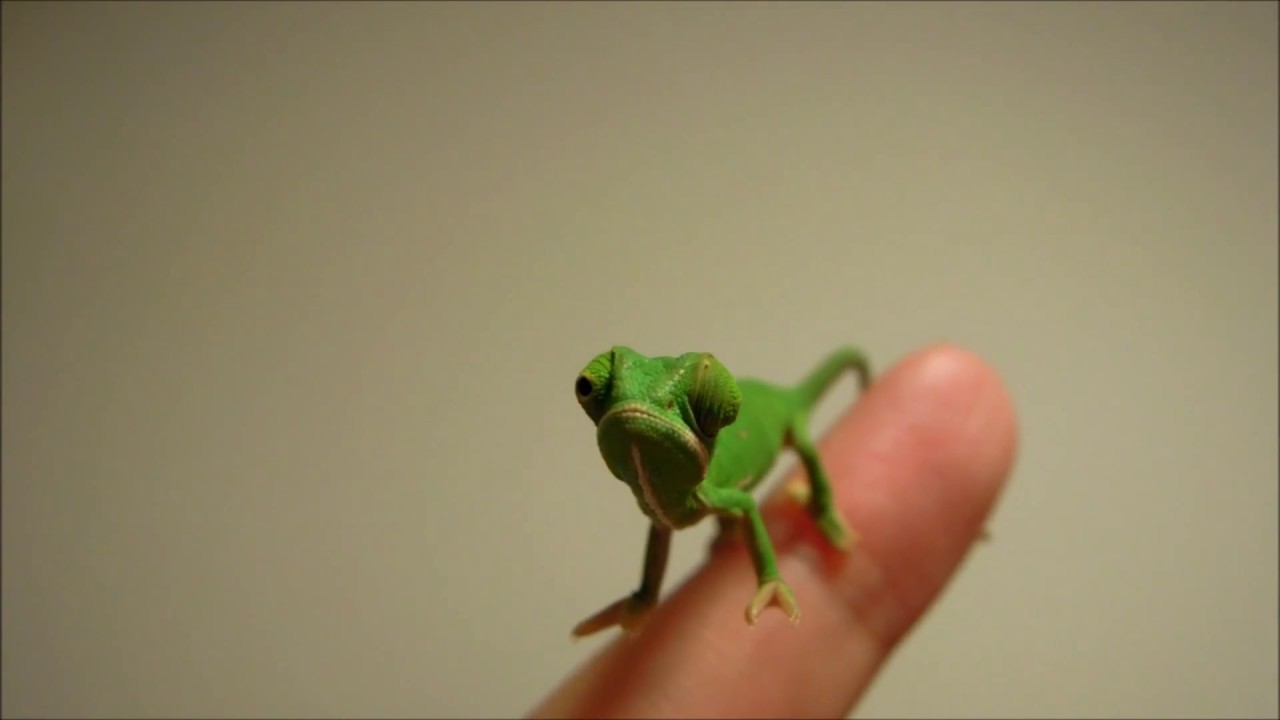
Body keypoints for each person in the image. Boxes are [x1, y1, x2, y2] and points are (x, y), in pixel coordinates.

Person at [528, 344, 1019, 719]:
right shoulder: (667, 497)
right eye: (597, 389)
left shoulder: (709, 486)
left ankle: (824, 504)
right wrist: (644, 594)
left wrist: (769, 576)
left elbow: (742, 502)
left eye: (701, 406)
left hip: (774, 413)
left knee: (804, 449)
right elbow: (663, 523)